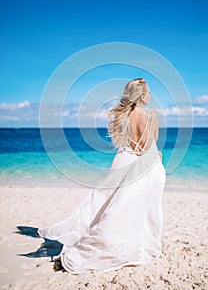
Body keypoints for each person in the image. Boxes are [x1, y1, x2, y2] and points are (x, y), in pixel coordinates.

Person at [38, 78, 166, 274]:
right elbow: (148, 145)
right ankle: (146, 244)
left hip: (127, 162)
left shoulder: (122, 114)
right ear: (141, 95)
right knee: (148, 209)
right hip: (148, 168)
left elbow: (131, 145)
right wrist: (156, 151)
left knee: (119, 205)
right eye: (148, 92)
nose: (150, 96)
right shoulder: (147, 114)